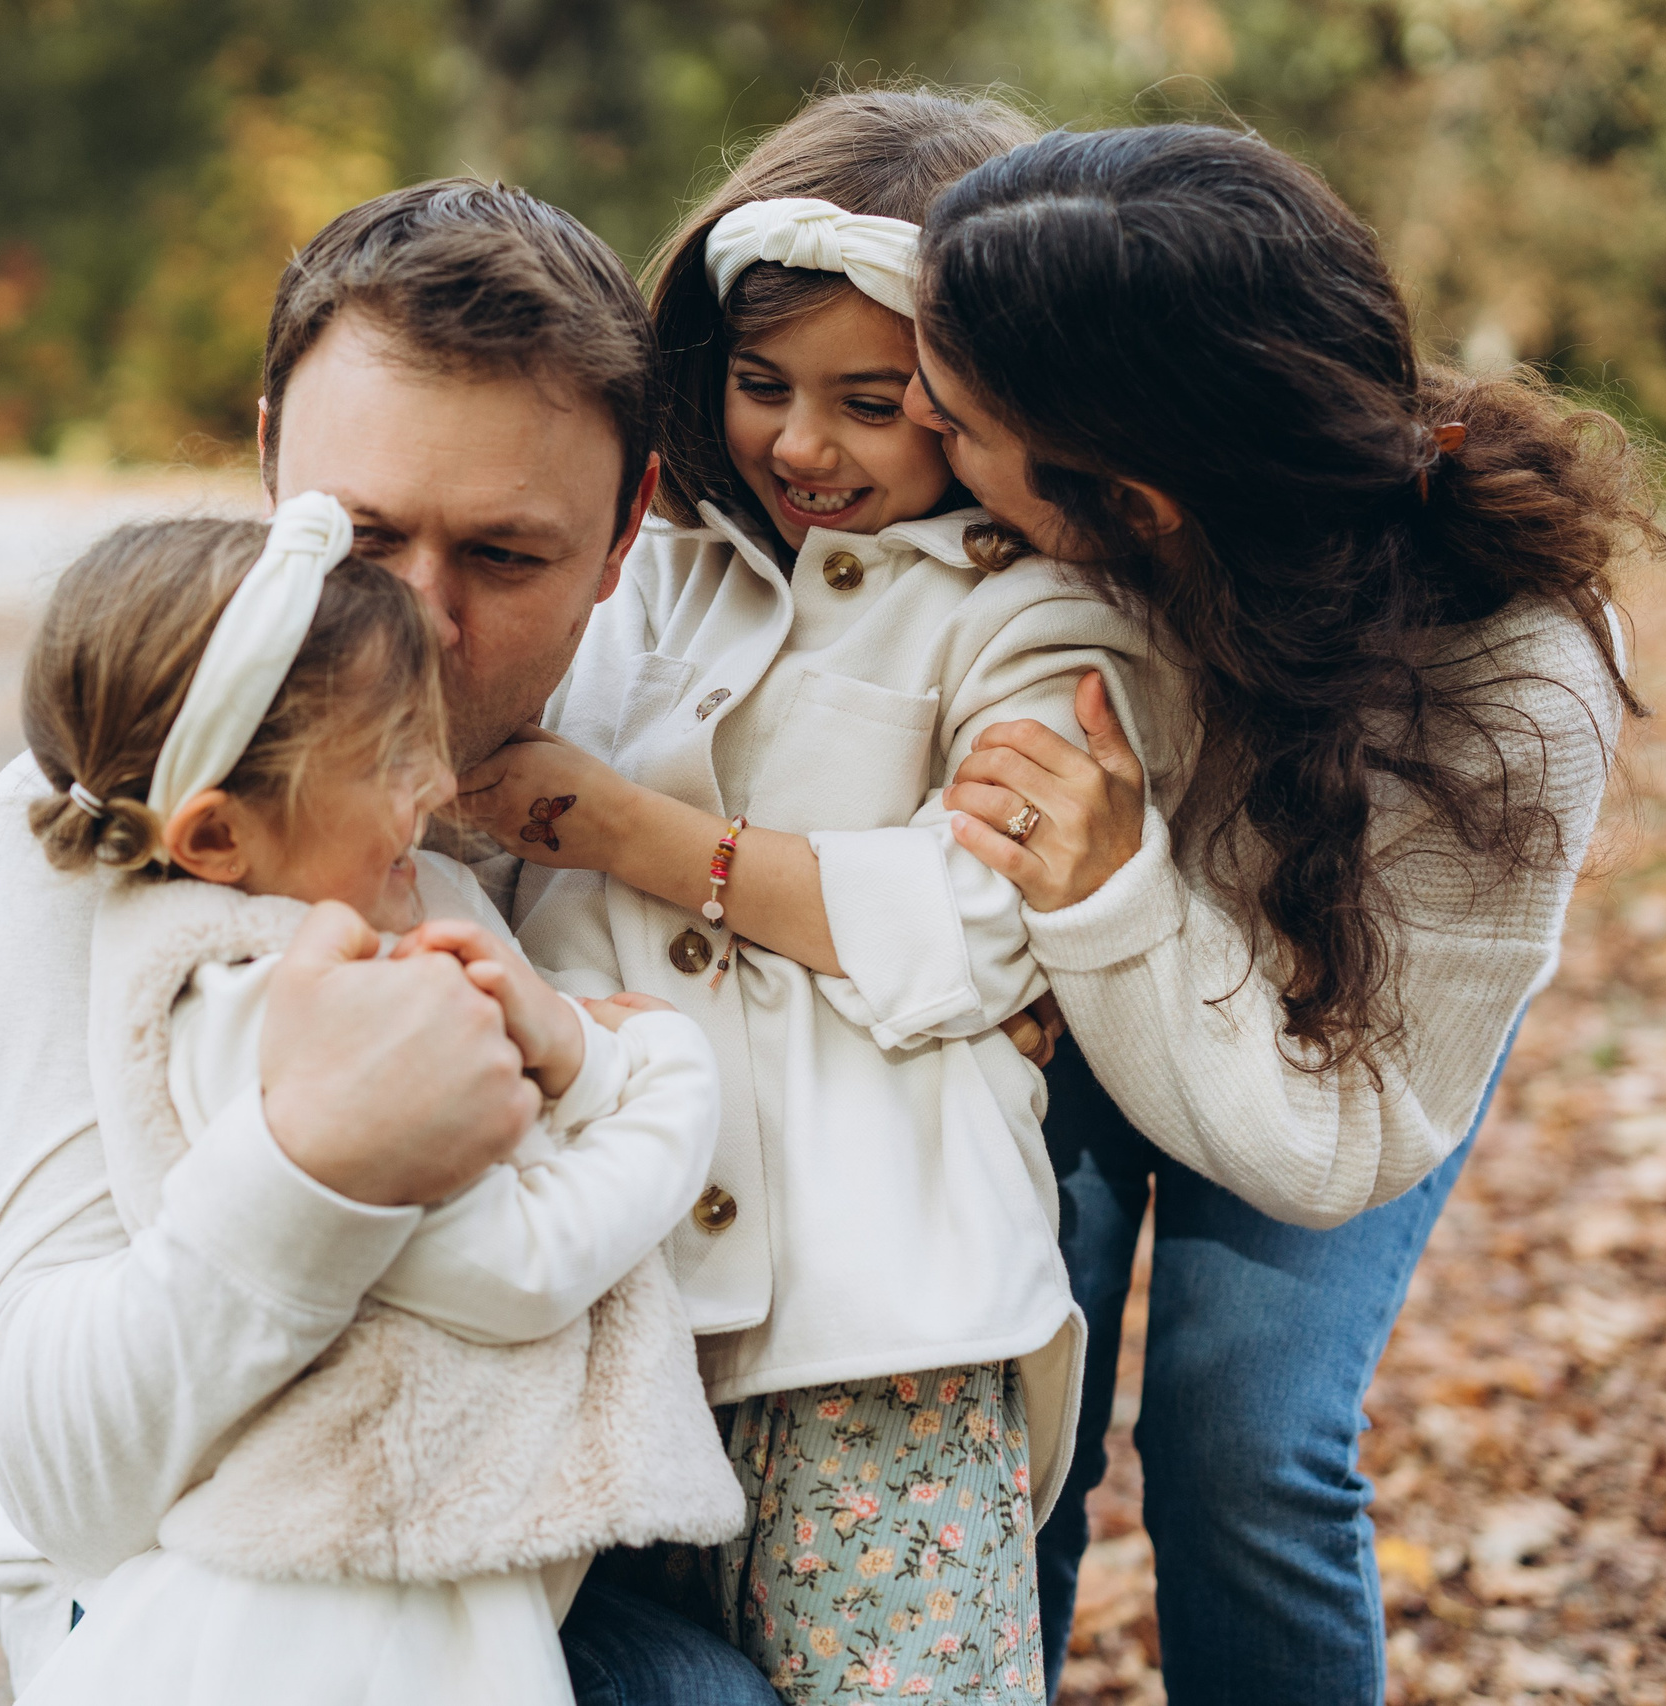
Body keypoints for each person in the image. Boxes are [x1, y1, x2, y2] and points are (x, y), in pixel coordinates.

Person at [0, 179, 787, 1702]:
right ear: (268, 460)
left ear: (627, 529)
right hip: (219, 1608)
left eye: (508, 557)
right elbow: (62, 1479)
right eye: (357, 536)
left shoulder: (701, 745)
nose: (419, 622)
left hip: (583, 1534)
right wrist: (311, 1163)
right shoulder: (99, 817)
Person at [904, 125, 1658, 1701]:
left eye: (957, 416)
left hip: (1345, 1045)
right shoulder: (1023, 520)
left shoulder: (1517, 680)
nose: (913, 420)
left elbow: (1346, 1135)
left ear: (1133, 499)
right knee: (1010, 1403)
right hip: (1087, 965)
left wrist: (1114, 891)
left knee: (1245, 1432)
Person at [459, 90, 1192, 1702]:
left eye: (874, 400)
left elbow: (978, 918)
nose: (801, 443)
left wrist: (642, 837)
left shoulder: (1035, 618)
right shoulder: (655, 571)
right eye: (759, 384)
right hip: (609, 1287)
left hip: (879, 1328)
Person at [0, 498, 742, 1706]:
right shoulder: (285, 1007)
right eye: (395, 753)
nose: (439, 779)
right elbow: (521, 1264)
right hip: (335, 1625)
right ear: (217, 835)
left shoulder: (252, 954)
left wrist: (568, 1055)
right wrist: (663, 1081)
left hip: (374, 1580)